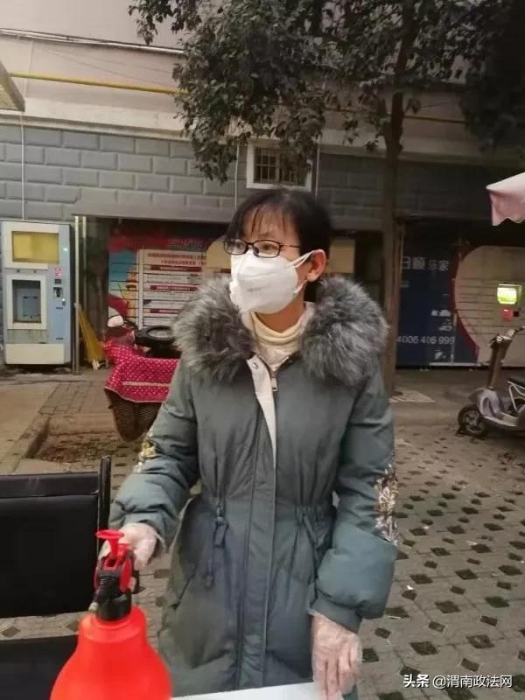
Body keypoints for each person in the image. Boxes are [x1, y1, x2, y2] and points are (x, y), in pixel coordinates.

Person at [110, 188, 398, 700]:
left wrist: (341, 607)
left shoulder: (350, 367)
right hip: (207, 593)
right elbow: (168, 453)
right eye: (240, 246)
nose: (247, 261)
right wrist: (142, 519)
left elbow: (371, 490)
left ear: (313, 266)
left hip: (304, 593)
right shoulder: (205, 354)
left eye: (267, 248)